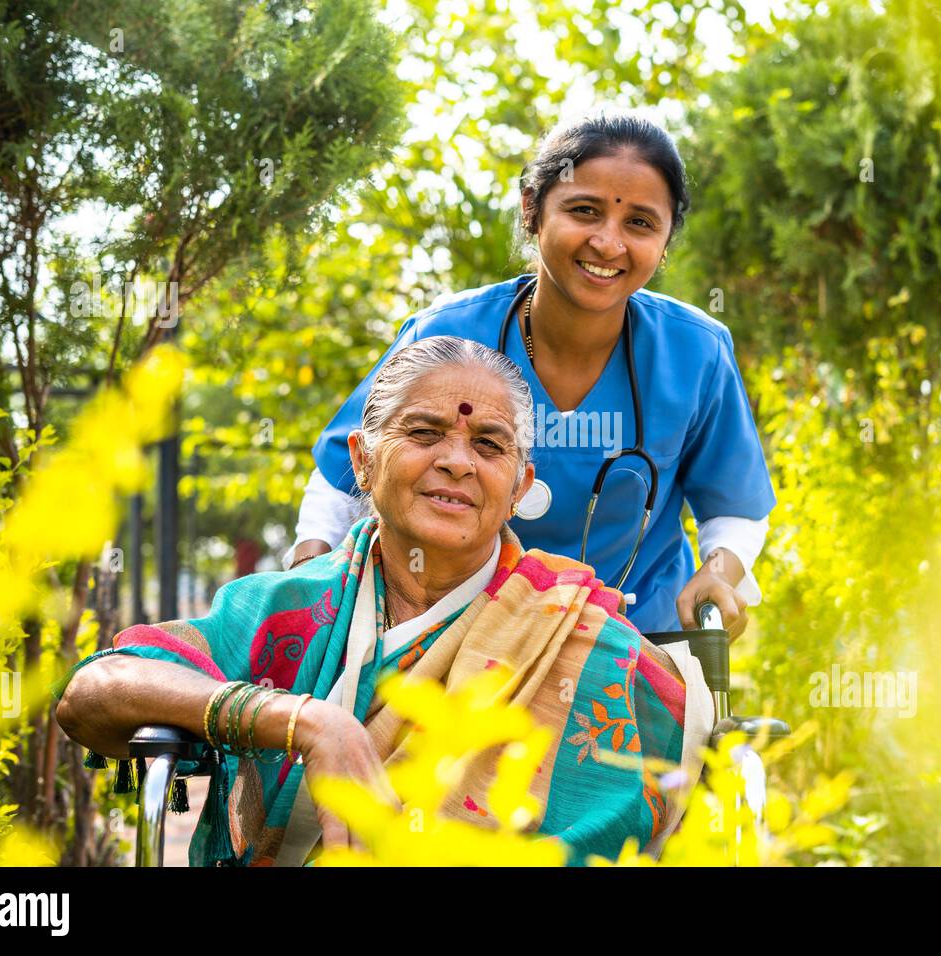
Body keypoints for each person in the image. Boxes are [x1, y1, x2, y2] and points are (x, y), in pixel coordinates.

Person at [54, 337, 714, 867]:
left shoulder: (584, 640)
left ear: (520, 485)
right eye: (424, 432)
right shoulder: (280, 611)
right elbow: (94, 692)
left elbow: (678, 768)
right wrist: (306, 722)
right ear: (363, 461)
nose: (457, 461)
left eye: (488, 444)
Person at [290, 109, 776, 638]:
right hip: (454, 643)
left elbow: (735, 507)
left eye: (639, 222)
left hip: (635, 647)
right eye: (584, 211)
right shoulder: (447, 331)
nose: (609, 244)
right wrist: (310, 577)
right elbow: (343, 474)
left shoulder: (695, 352)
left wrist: (719, 572)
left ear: (663, 243)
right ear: (532, 210)